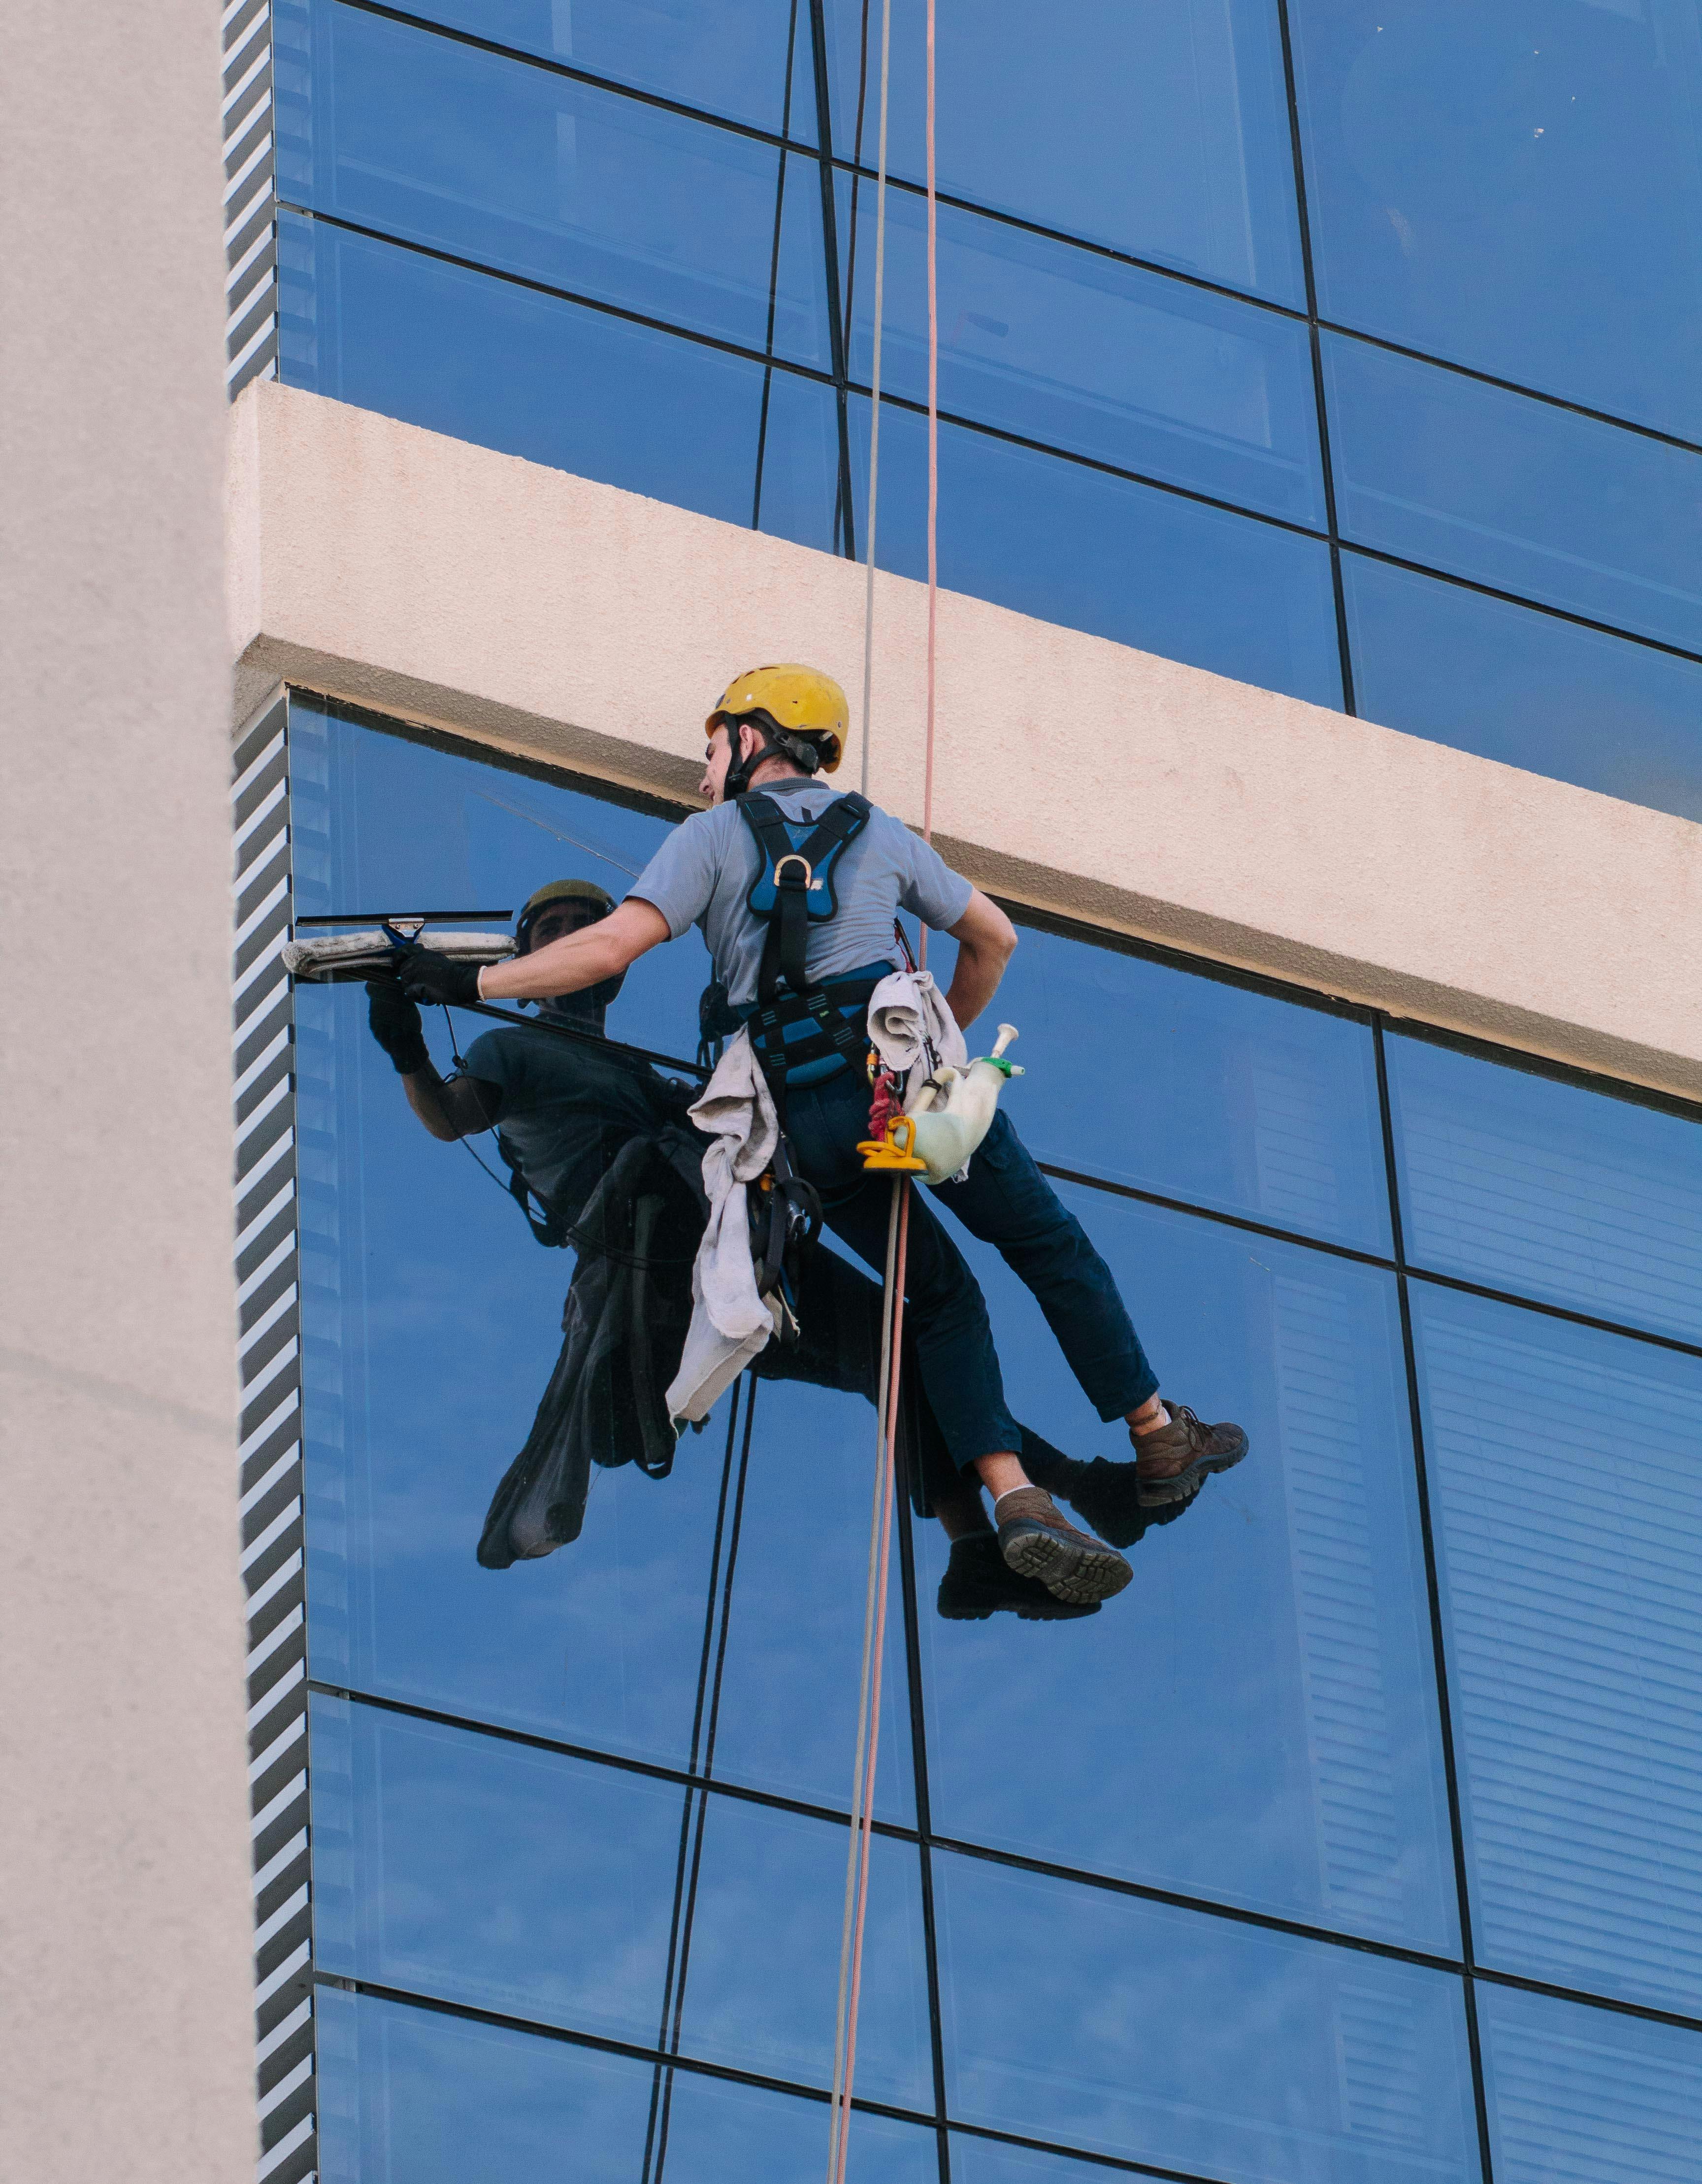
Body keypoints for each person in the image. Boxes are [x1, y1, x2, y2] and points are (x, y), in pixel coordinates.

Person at [395, 668, 1248, 1609]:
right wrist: (940, 1056)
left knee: (936, 1302)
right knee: (1048, 1247)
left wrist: (461, 982)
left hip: (805, 1127)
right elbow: (995, 940)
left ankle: (1013, 1497)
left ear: (756, 738)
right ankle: (1155, 1432)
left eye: (714, 745)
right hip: (900, 1089)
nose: (705, 768)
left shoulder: (707, 841)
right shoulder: (881, 834)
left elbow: (611, 949)